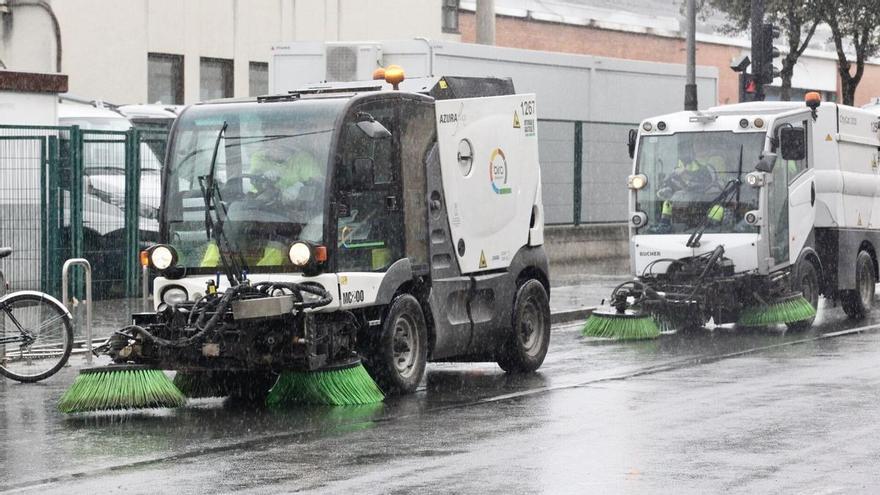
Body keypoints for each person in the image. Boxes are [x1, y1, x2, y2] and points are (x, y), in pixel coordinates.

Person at [653, 139, 726, 232]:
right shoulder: (686, 161)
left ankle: (710, 229)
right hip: (690, 196)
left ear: (709, 145)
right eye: (697, 142)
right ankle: (664, 225)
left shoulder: (716, 159)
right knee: (668, 202)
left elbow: (707, 175)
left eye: (703, 142)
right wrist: (668, 187)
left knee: (717, 210)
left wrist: (685, 173)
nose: (700, 145)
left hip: (711, 197)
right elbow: (677, 177)